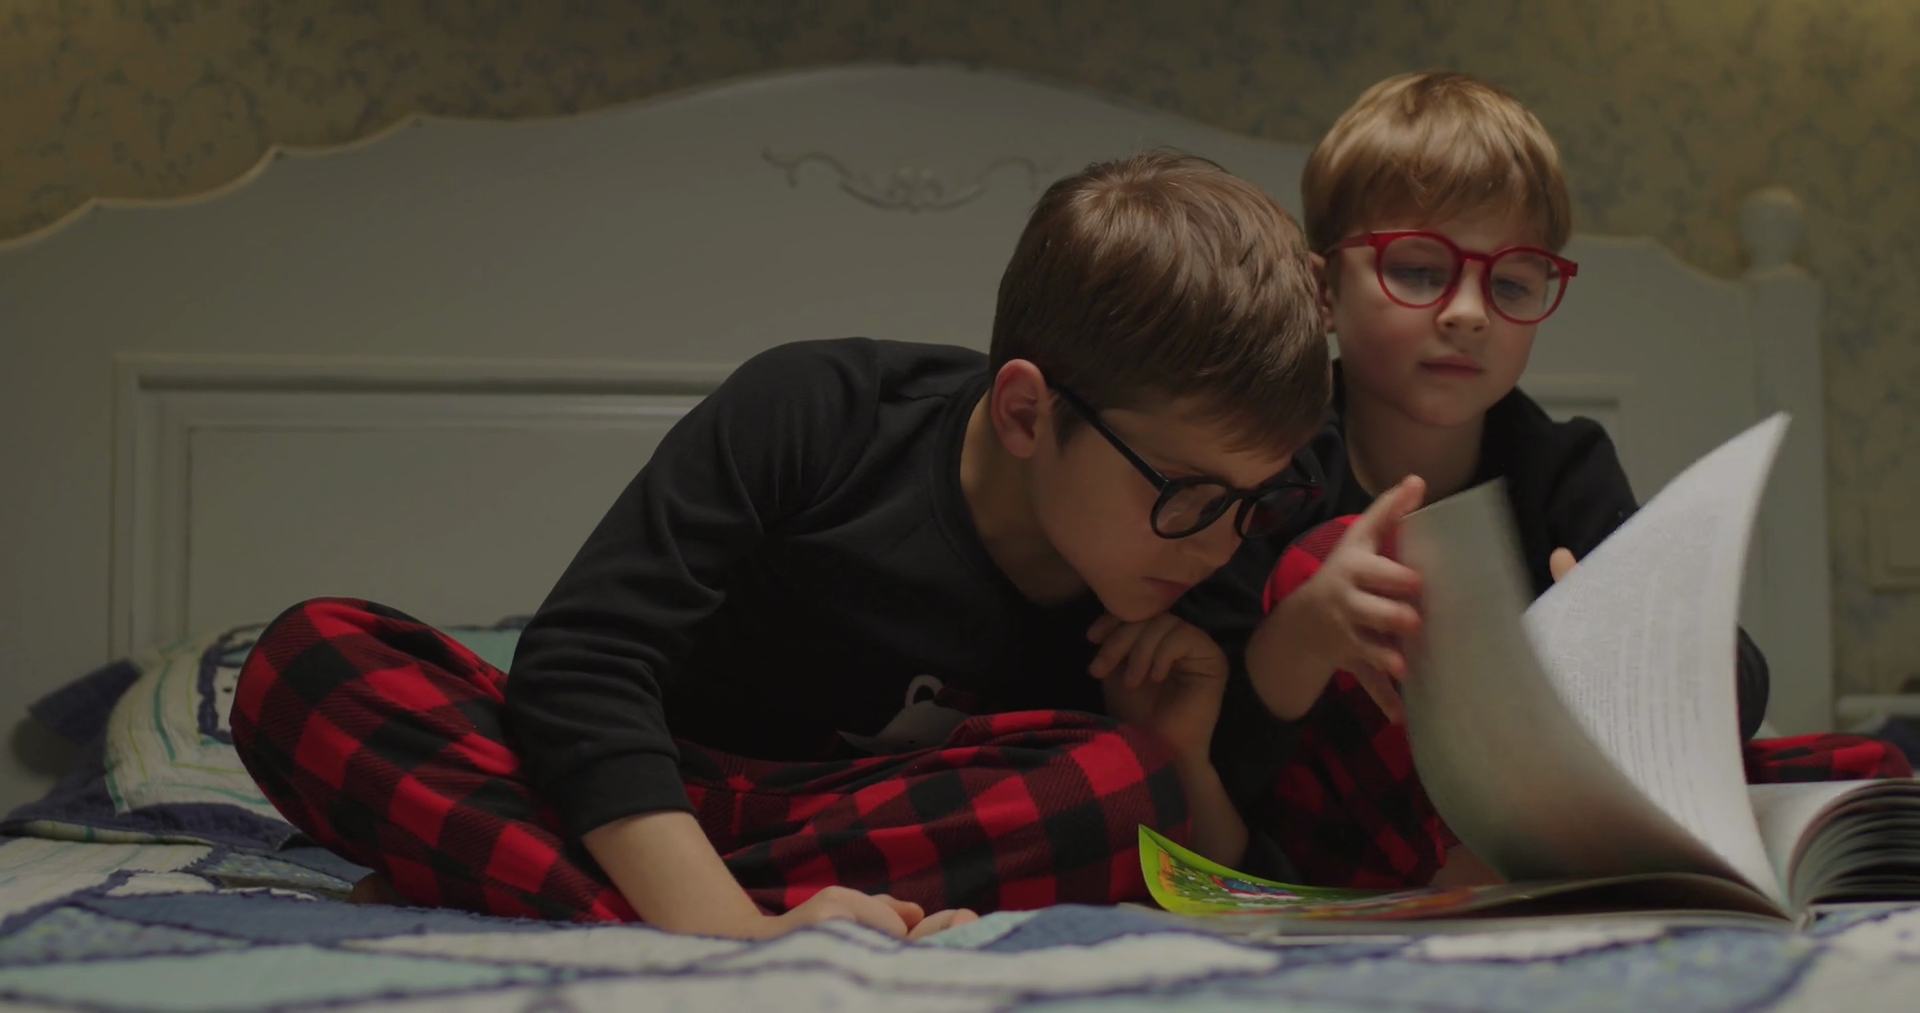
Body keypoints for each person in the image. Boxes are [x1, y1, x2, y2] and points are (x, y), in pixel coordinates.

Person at [230, 151, 1333, 940]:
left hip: (876, 821)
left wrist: (1179, 751)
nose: (1219, 539)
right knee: (310, 660)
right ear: (1025, 413)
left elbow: (1219, 872)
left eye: (1254, 498)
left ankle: (518, 878)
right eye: (1185, 493)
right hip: (640, 780)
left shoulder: (1211, 545)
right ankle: (692, 908)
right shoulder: (817, 410)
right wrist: (733, 931)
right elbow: (579, 666)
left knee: (1125, 785)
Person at [1239, 71, 1773, 889]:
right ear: (1323, 292)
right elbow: (1214, 737)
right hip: (1334, 835)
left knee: (1852, 771)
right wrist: (1306, 632)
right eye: (1420, 271)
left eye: (1512, 282)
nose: (1468, 311)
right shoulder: (1271, 460)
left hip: (1537, 819)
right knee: (1332, 566)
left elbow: (1736, 680)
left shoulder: (1564, 465)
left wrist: (1635, 640)